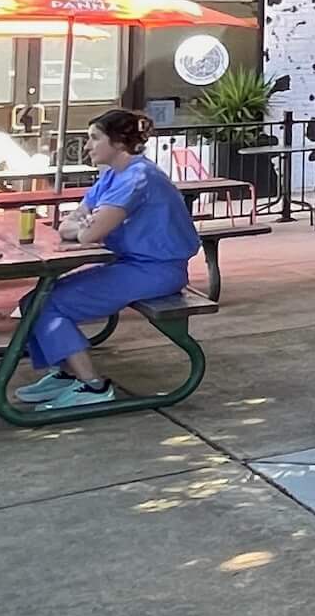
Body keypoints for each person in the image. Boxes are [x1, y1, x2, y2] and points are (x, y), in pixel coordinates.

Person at [14, 109, 201, 412]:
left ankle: (93, 385)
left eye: (94, 138)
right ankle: (66, 373)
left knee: (46, 304)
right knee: (32, 301)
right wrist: (85, 226)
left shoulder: (138, 177)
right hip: (131, 264)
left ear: (117, 142)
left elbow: (91, 233)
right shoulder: (114, 176)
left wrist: (87, 227)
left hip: (155, 270)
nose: (87, 146)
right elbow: (68, 224)